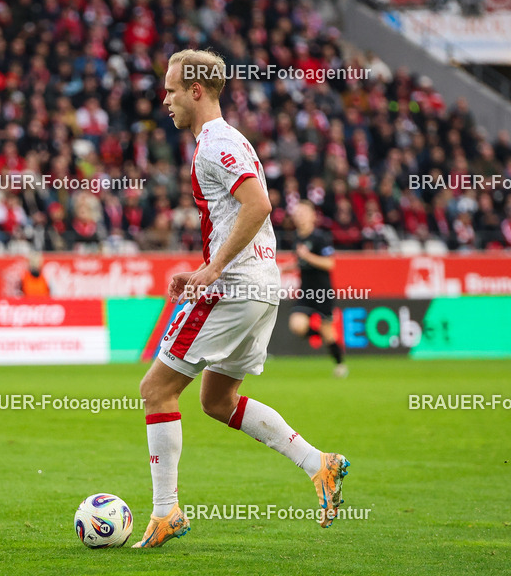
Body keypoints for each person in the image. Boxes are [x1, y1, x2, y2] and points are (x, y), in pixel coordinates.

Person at [134, 49, 349, 548]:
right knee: (216, 400)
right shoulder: (226, 141)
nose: (163, 99)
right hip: (260, 283)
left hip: (236, 287)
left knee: (156, 391)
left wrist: (210, 269)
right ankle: (320, 463)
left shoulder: (215, 143)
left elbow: (258, 204)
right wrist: (205, 267)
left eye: (169, 90)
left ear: (195, 91)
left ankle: (166, 513)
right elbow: (242, 214)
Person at [287, 200, 347, 377]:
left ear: (313, 216)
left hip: (322, 292)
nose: (300, 216)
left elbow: (329, 263)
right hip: (306, 291)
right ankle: (320, 332)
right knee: (297, 325)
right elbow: (301, 262)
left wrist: (308, 256)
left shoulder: (321, 237)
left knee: (329, 333)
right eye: (297, 213)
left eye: (304, 212)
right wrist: (285, 267)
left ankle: (340, 364)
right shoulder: (297, 237)